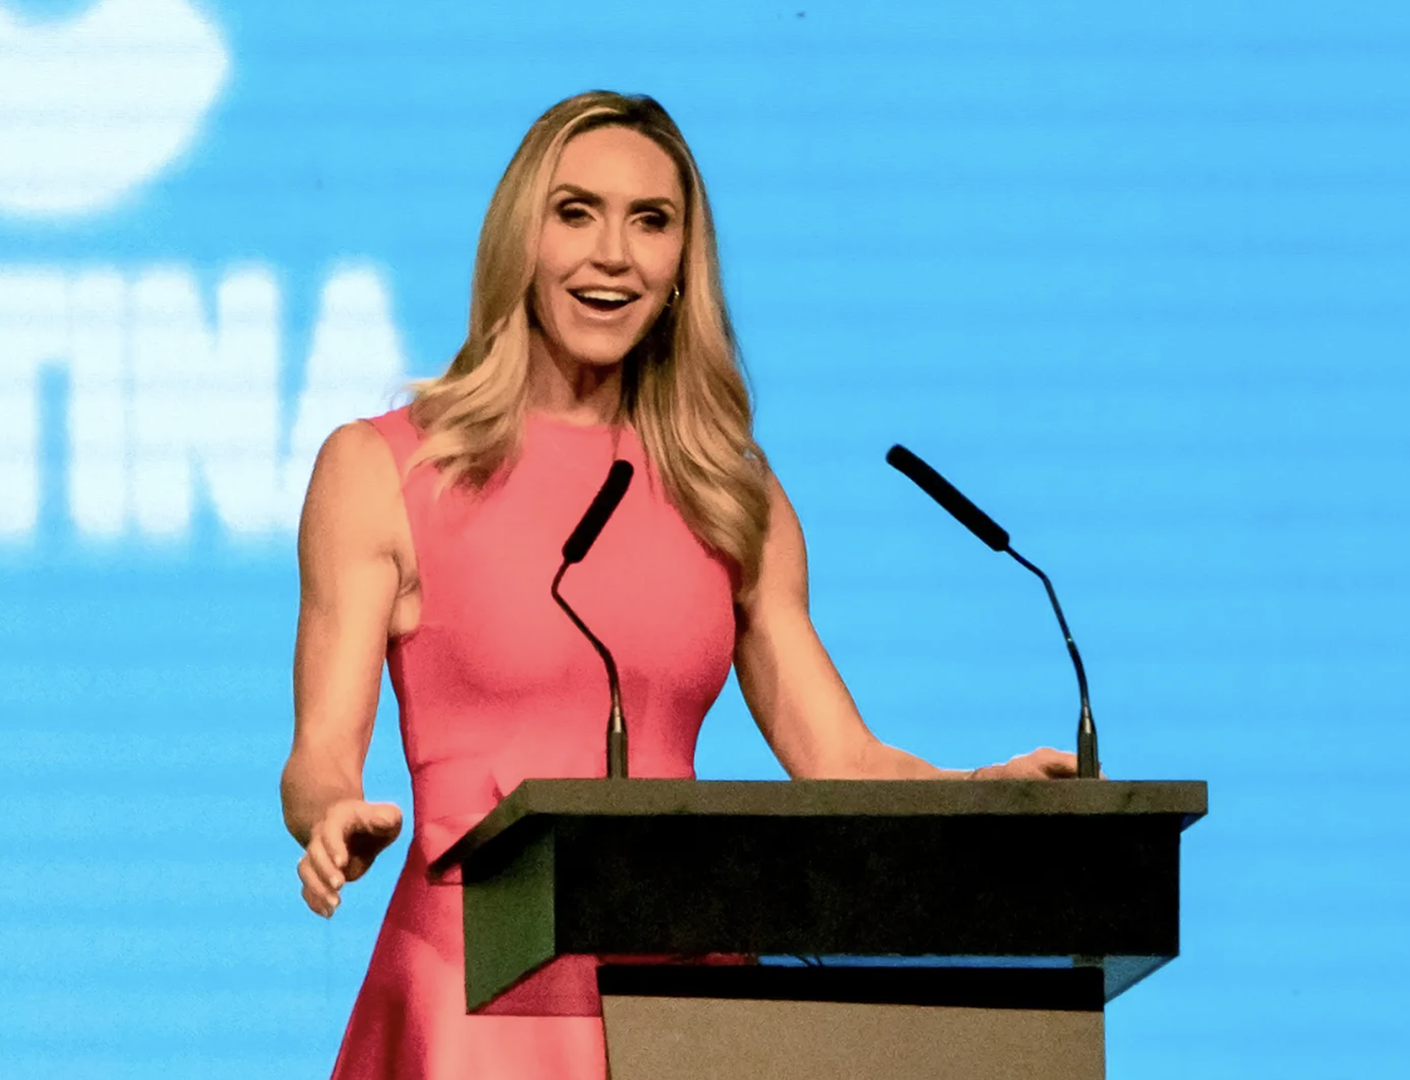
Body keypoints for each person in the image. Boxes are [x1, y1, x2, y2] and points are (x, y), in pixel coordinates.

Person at [279, 91, 1081, 1079]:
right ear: (519, 241)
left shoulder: (728, 491)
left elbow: (842, 760)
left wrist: (978, 797)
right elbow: (320, 753)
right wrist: (330, 817)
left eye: (649, 222)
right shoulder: (388, 469)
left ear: (680, 267)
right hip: (482, 987)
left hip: (686, 997)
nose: (612, 254)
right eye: (576, 213)